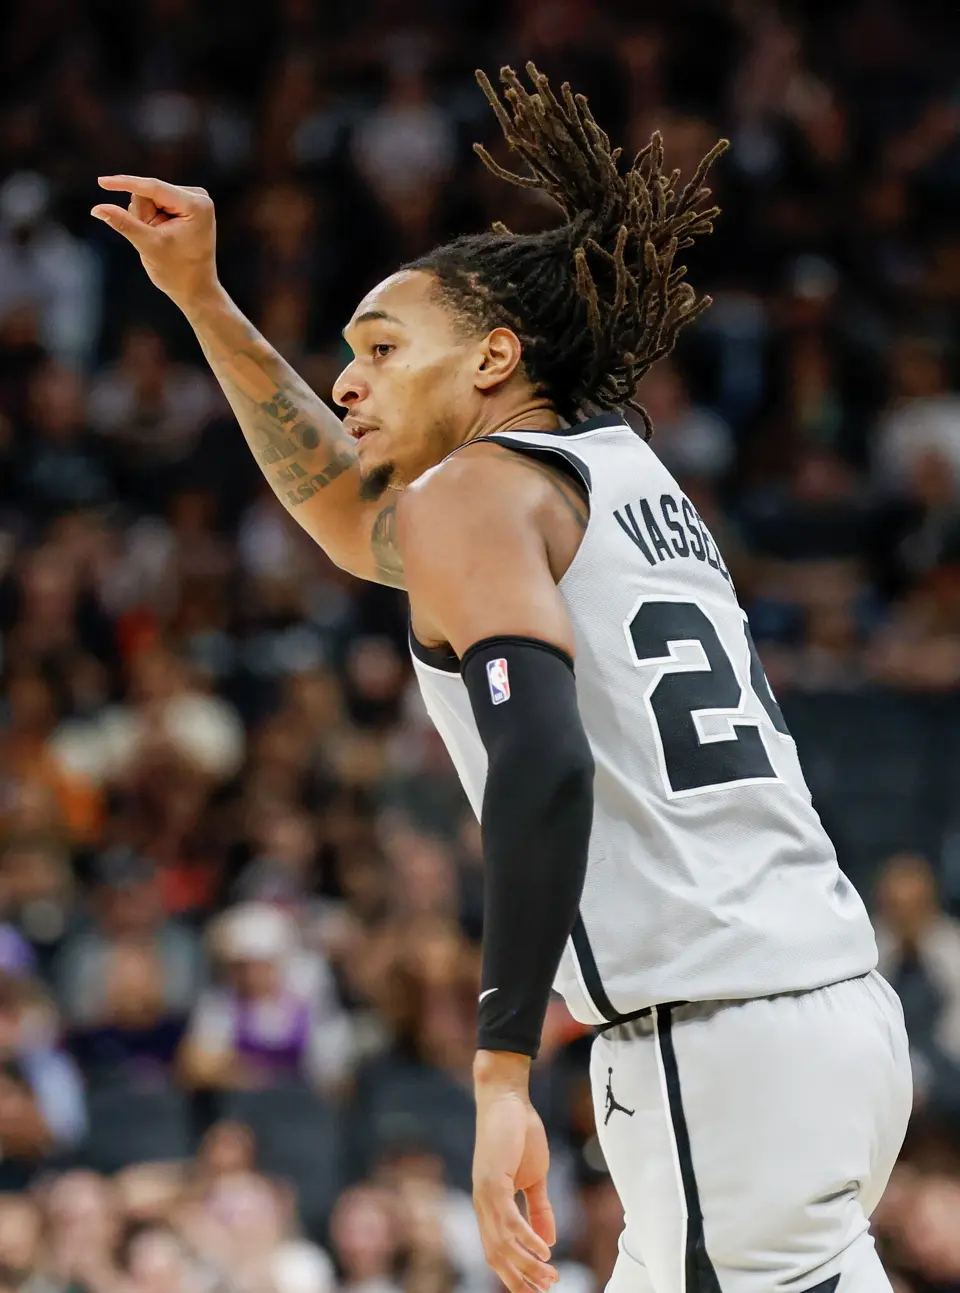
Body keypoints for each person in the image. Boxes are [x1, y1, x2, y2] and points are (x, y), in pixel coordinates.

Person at [92, 63, 911, 1293]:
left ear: (492, 358)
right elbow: (347, 517)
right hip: (823, 1019)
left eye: (381, 348)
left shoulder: (474, 492)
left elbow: (542, 760)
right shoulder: (620, 475)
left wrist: (498, 1070)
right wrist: (203, 300)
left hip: (716, 1045)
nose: (349, 381)